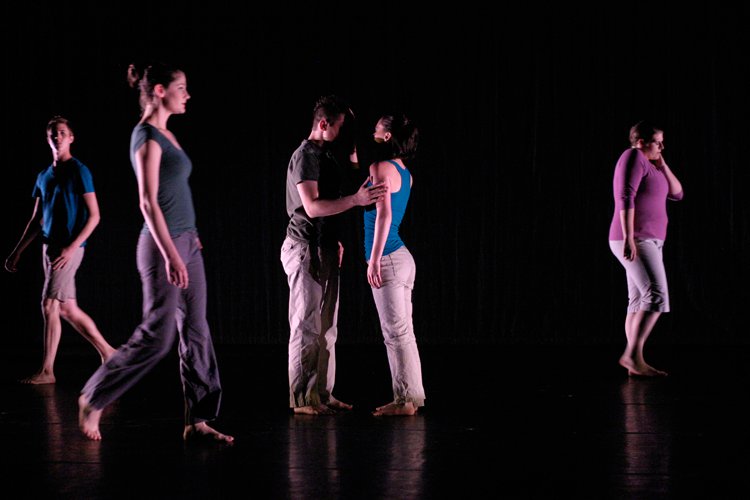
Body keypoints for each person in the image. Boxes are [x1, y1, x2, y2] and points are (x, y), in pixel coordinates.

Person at [78, 63, 233, 443]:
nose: (188, 95)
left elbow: (175, 191)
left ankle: (197, 420)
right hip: (162, 246)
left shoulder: (167, 134)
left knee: (196, 331)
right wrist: (171, 255)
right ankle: (93, 397)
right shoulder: (145, 135)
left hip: (187, 241)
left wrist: (191, 237)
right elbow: (148, 202)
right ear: (160, 91)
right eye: (182, 87)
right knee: (158, 335)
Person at [281, 95, 387, 415]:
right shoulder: (305, 156)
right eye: (339, 126)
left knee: (327, 328)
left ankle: (323, 394)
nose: (341, 133)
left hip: (325, 246)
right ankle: (303, 399)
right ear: (323, 123)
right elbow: (312, 207)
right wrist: (355, 200)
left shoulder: (325, 156)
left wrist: (334, 239)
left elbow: (342, 191)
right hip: (304, 248)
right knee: (306, 327)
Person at [5, 116, 116, 385]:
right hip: (49, 248)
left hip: (69, 249)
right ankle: (110, 353)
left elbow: (95, 216)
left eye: (62, 133)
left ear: (71, 138)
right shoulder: (43, 176)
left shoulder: (79, 171)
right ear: (48, 139)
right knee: (67, 309)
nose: (57, 137)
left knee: (49, 304)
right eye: (53, 134)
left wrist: (71, 248)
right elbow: (37, 220)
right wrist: (17, 251)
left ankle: (47, 371)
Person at [608, 120, 683, 377]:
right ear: (641, 142)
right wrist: (629, 237)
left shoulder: (653, 167)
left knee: (638, 300)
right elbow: (625, 196)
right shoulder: (633, 157)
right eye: (657, 142)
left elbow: (678, 194)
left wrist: (662, 164)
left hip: (649, 240)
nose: (662, 147)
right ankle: (632, 355)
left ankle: (634, 360)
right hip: (635, 238)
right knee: (656, 296)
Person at [364, 114, 425, 416]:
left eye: (377, 127)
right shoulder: (405, 173)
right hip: (402, 259)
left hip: (388, 258)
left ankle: (405, 401)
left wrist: (374, 260)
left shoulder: (380, 168)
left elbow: (384, 215)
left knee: (395, 334)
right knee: (404, 333)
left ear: (387, 136)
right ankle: (410, 397)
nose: (373, 130)